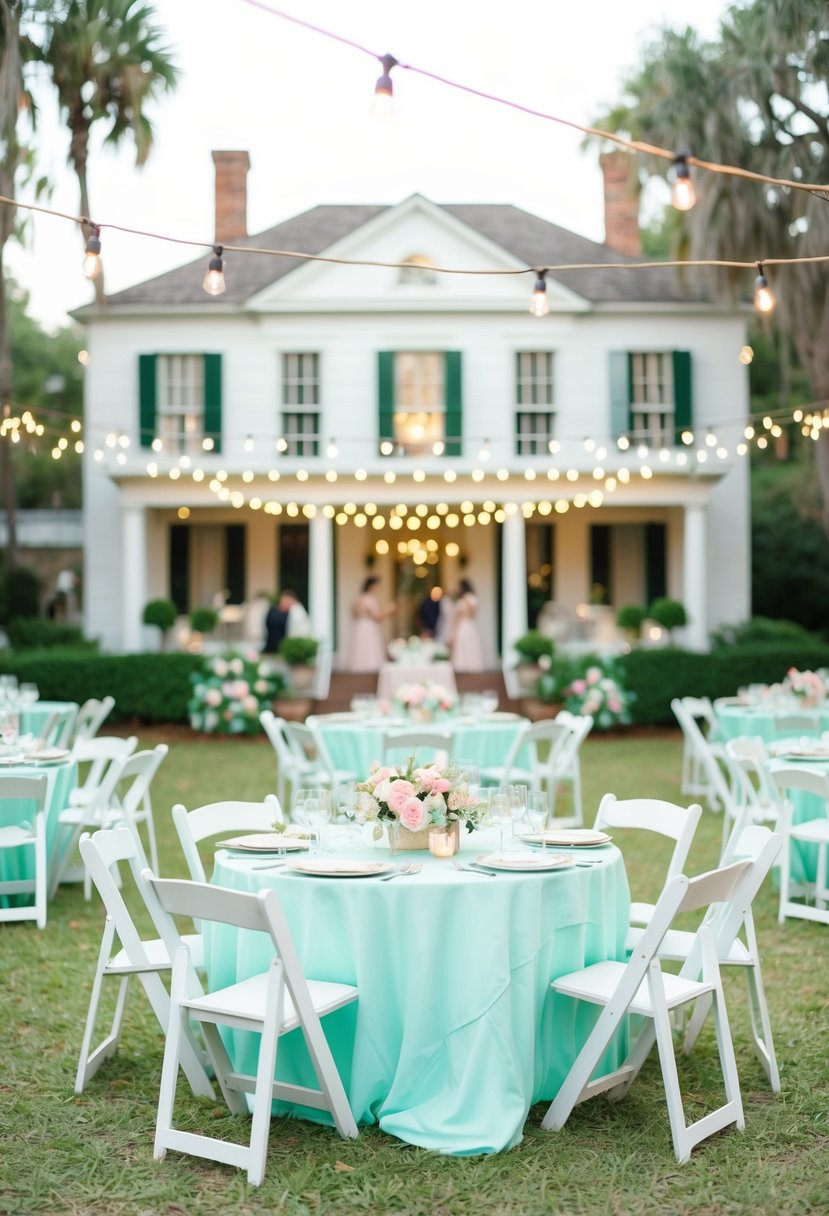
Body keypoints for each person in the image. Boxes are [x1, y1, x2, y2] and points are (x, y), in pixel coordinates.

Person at [347, 575, 396, 672]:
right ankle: (369, 669)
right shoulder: (368, 598)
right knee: (368, 647)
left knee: (362, 648)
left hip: (360, 626)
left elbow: (354, 614)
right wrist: (389, 610)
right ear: (372, 585)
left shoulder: (359, 597)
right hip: (368, 627)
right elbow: (377, 616)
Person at [449, 577, 485, 673]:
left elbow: (473, 613)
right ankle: (461, 671)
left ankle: (472, 670)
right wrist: (453, 633)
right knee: (461, 649)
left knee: (470, 648)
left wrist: (465, 599)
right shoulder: (459, 600)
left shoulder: (471, 598)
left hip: (469, 625)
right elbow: (456, 617)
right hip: (461, 627)